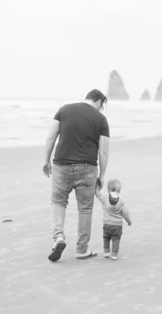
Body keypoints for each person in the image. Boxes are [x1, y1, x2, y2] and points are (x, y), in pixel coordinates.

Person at [43, 89, 110, 262]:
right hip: (87, 168)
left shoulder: (64, 110)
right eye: (102, 106)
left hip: (61, 166)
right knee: (85, 208)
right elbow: (103, 150)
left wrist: (46, 160)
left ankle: (58, 237)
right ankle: (82, 249)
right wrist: (102, 175)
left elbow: (51, 137)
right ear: (99, 102)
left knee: (58, 201)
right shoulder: (101, 119)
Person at [95, 178, 132, 260]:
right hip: (117, 225)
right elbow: (125, 212)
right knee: (116, 240)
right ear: (119, 190)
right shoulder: (121, 201)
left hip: (106, 224)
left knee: (106, 238)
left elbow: (97, 194)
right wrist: (129, 221)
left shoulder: (104, 198)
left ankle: (106, 252)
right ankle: (114, 254)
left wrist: (97, 185)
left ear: (108, 189)